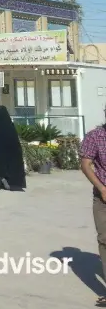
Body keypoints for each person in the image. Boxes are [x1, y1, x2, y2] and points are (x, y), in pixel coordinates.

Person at [80, 105, 106, 307]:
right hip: (103, 197)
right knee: (105, 240)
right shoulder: (95, 136)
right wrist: (101, 187)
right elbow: (86, 164)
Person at [0, 106, 26, 191]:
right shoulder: (9, 124)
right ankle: (14, 182)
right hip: (11, 150)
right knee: (12, 165)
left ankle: (1, 179)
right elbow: (15, 139)